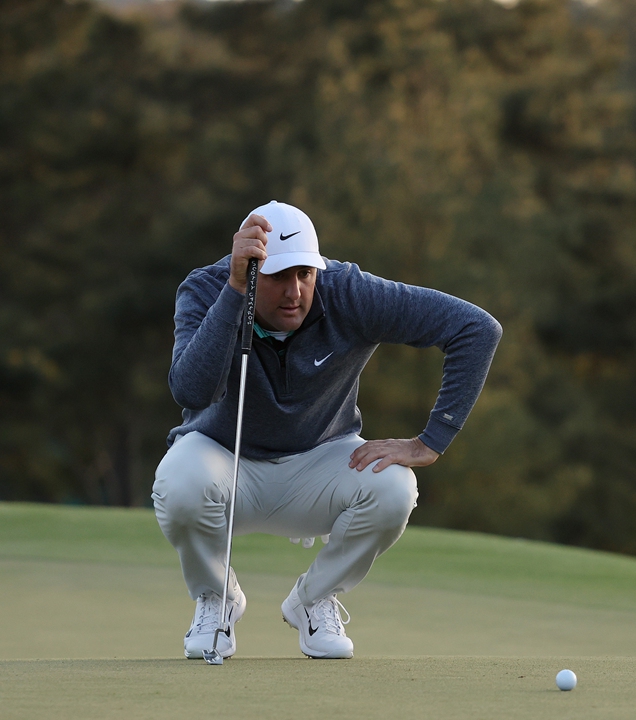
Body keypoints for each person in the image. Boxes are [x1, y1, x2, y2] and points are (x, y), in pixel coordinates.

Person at [152, 200, 501, 660]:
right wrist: (235, 293)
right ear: (251, 271)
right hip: (226, 462)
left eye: (304, 274)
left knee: (396, 487)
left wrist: (432, 440)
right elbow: (191, 390)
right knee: (178, 481)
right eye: (277, 277)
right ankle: (216, 600)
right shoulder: (208, 289)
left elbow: (476, 328)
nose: (294, 291)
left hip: (320, 464)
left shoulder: (348, 293)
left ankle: (314, 599)